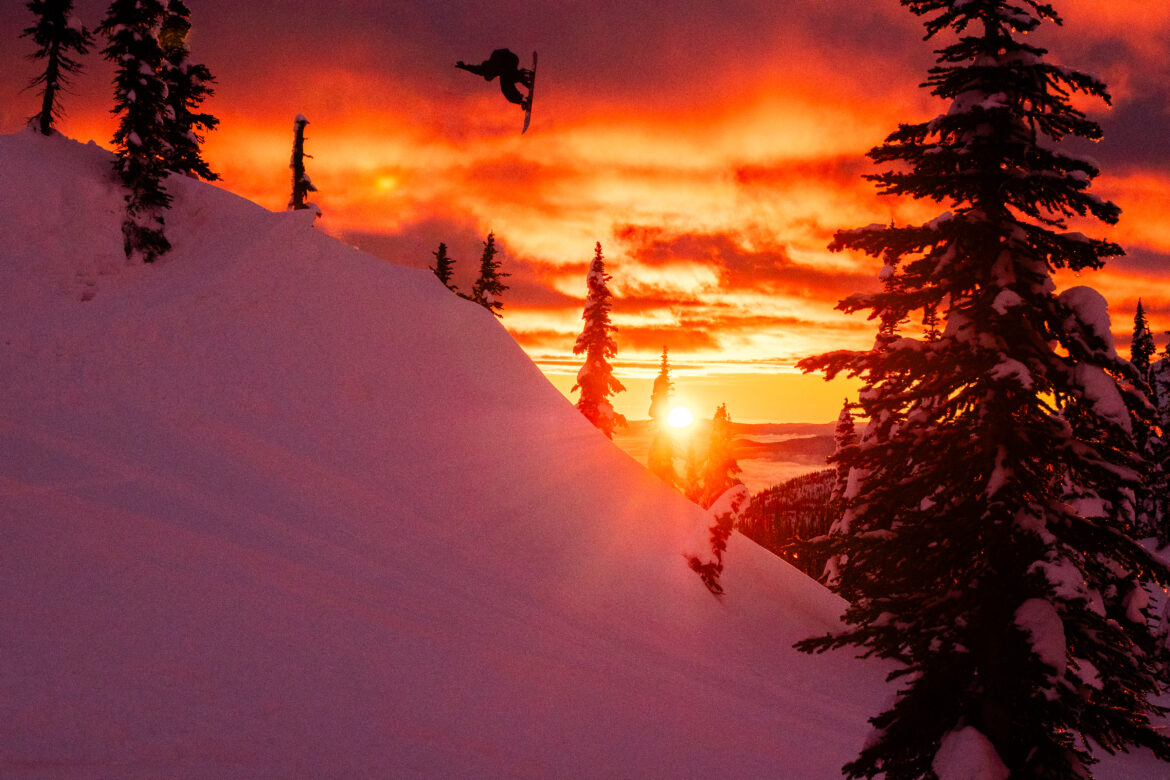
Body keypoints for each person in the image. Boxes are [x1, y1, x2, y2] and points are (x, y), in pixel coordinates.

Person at [456, 49, 533, 108]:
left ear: (488, 75)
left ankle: (521, 98)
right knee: (508, 78)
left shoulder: (486, 69)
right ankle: (525, 77)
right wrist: (464, 66)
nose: (493, 76)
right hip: (512, 59)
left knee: (505, 84)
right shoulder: (495, 68)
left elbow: (475, 69)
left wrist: (464, 67)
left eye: (491, 77)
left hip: (508, 60)